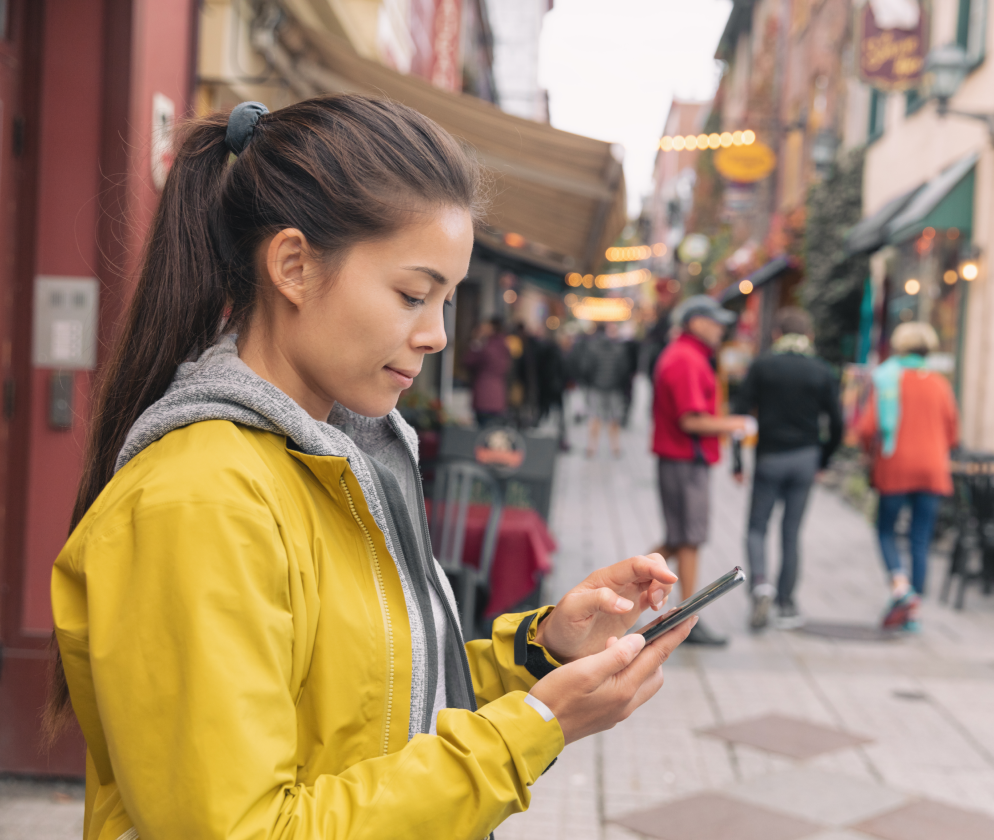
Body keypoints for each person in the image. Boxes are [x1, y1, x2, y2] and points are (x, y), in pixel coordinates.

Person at [46, 96, 696, 840]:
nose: (436, 336)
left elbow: (379, 708)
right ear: (292, 264)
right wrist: (532, 729)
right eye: (413, 295)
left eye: (445, 301)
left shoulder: (345, 458)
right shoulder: (200, 501)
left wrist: (539, 652)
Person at [649, 296, 751, 646]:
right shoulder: (687, 359)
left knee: (680, 537)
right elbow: (691, 419)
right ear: (696, 322)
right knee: (689, 538)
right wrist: (734, 423)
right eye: (715, 321)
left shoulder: (684, 355)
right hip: (684, 459)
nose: (721, 328)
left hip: (680, 459)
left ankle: (636, 586)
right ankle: (686, 617)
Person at [733, 308, 843, 631]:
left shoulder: (763, 366)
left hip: (769, 457)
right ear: (809, 336)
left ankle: (760, 584)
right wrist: (824, 460)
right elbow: (837, 423)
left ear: (776, 334)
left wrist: (738, 461)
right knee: (791, 532)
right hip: (805, 458)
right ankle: (786, 603)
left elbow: (740, 415)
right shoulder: (821, 370)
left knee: (757, 527)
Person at [855, 322, 959, 631]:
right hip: (932, 470)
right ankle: (914, 612)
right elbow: (954, 433)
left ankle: (900, 589)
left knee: (885, 530)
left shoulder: (887, 379)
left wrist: (866, 452)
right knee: (920, 537)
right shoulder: (940, 384)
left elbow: (866, 428)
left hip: (895, 466)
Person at [584, 322, 631, 458]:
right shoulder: (619, 349)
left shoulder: (593, 348)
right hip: (614, 389)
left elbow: (587, 367)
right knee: (613, 418)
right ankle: (615, 447)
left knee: (594, 417)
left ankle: (592, 447)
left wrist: (591, 381)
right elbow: (624, 370)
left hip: (596, 387)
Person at [463, 315, 511, 427]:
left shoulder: (486, 347)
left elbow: (467, 361)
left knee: (483, 432)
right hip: (499, 396)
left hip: (484, 394)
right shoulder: (504, 345)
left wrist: (475, 341)